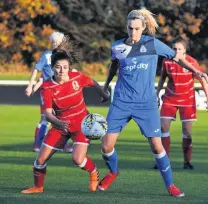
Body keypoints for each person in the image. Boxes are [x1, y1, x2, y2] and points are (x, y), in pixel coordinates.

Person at [98, 8, 208, 198]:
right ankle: (113, 171)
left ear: (143, 28)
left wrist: (196, 72)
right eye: (130, 28)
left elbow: (178, 58)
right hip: (121, 102)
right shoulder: (117, 46)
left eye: (137, 29)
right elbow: (113, 65)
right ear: (126, 27)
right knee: (106, 146)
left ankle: (171, 186)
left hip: (146, 104)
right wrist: (106, 86)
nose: (133, 32)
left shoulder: (152, 44)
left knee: (157, 147)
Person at [21, 37, 110, 194]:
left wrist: (104, 94)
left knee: (77, 159)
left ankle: (93, 171)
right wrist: (58, 122)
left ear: (69, 67)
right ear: (52, 67)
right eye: (58, 67)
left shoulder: (77, 77)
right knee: (40, 160)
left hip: (82, 124)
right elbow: (47, 114)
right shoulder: (47, 87)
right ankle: (38, 187)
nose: (62, 71)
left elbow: (92, 82)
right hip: (60, 125)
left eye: (65, 67)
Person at [154, 38, 208, 170]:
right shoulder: (167, 60)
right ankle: (164, 161)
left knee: (187, 134)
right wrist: (156, 95)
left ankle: (187, 161)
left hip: (187, 100)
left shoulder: (191, 62)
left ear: (185, 50)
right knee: (163, 129)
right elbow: (162, 78)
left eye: (179, 49)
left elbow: (202, 79)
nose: (176, 51)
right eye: (174, 49)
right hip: (170, 98)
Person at [25, 32, 73, 152]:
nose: (54, 44)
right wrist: (31, 86)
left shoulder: (65, 57)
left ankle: (63, 144)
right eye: (53, 42)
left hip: (62, 92)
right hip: (48, 92)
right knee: (45, 119)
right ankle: (38, 144)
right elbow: (37, 71)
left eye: (57, 42)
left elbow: (65, 75)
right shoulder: (46, 56)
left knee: (64, 118)